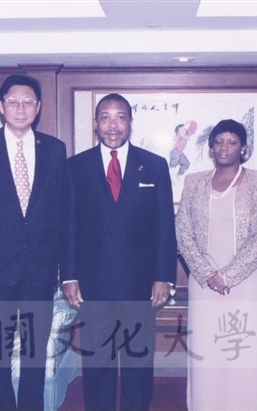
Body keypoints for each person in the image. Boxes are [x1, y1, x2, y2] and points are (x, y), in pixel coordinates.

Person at [0, 74, 68, 410]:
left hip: (40, 268)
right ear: (1, 106)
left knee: (35, 354)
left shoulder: (54, 149)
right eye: (13, 101)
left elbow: (61, 210)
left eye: (28, 102)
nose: (20, 108)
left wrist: (64, 267)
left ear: (38, 107)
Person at [62, 93, 177, 411]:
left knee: (137, 361)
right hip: (93, 282)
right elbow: (68, 224)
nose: (113, 125)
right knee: (97, 363)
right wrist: (69, 276)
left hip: (139, 283)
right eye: (105, 117)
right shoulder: (76, 166)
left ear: (130, 122)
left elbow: (164, 225)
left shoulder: (153, 165)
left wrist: (164, 276)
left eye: (120, 117)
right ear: (96, 123)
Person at [175, 119, 257, 411]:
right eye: (219, 141)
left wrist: (228, 276)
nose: (224, 147)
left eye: (232, 142)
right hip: (204, 283)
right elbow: (183, 232)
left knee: (244, 357)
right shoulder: (194, 182)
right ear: (211, 147)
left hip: (249, 283)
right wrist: (208, 273)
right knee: (207, 354)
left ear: (243, 148)